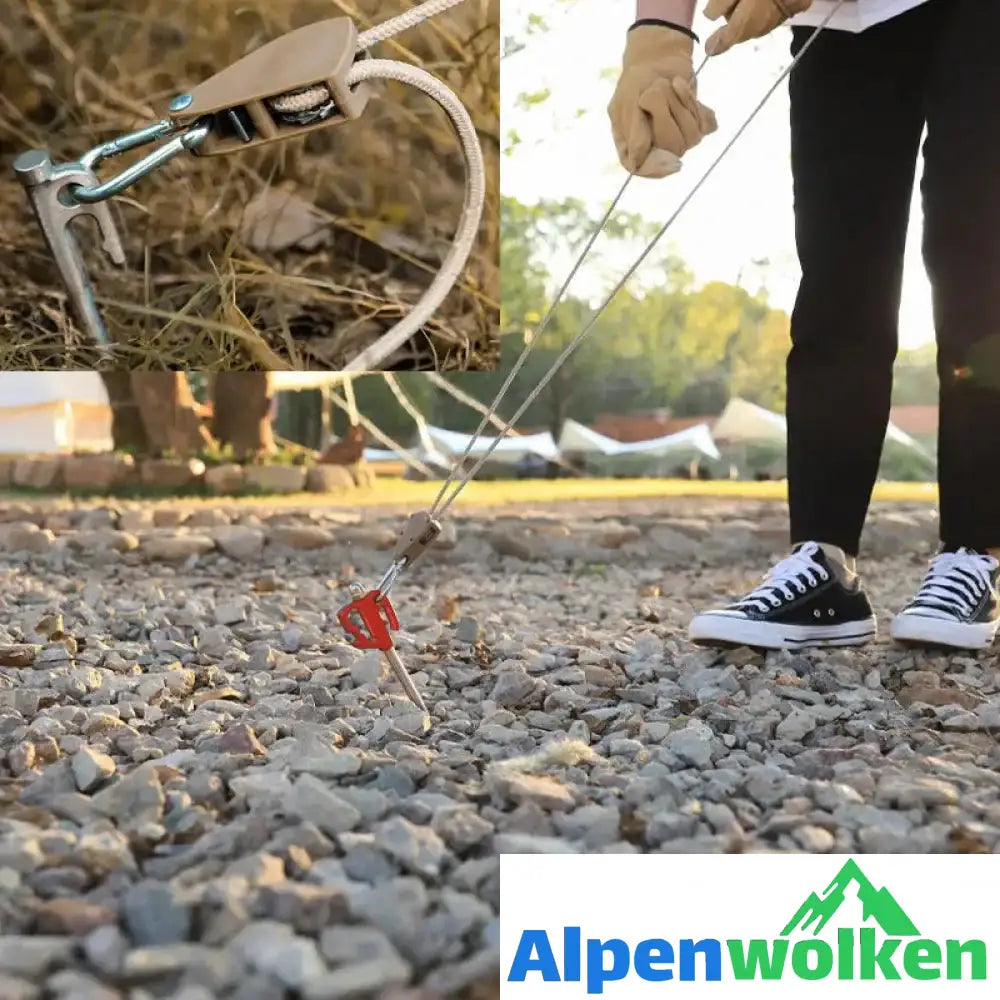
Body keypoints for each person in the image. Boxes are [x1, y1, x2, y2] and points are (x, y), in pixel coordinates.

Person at [609, 0, 1000, 651]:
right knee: (838, 279)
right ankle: (824, 566)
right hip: (844, 25)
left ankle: (975, 555)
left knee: (978, 265)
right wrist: (658, 36)